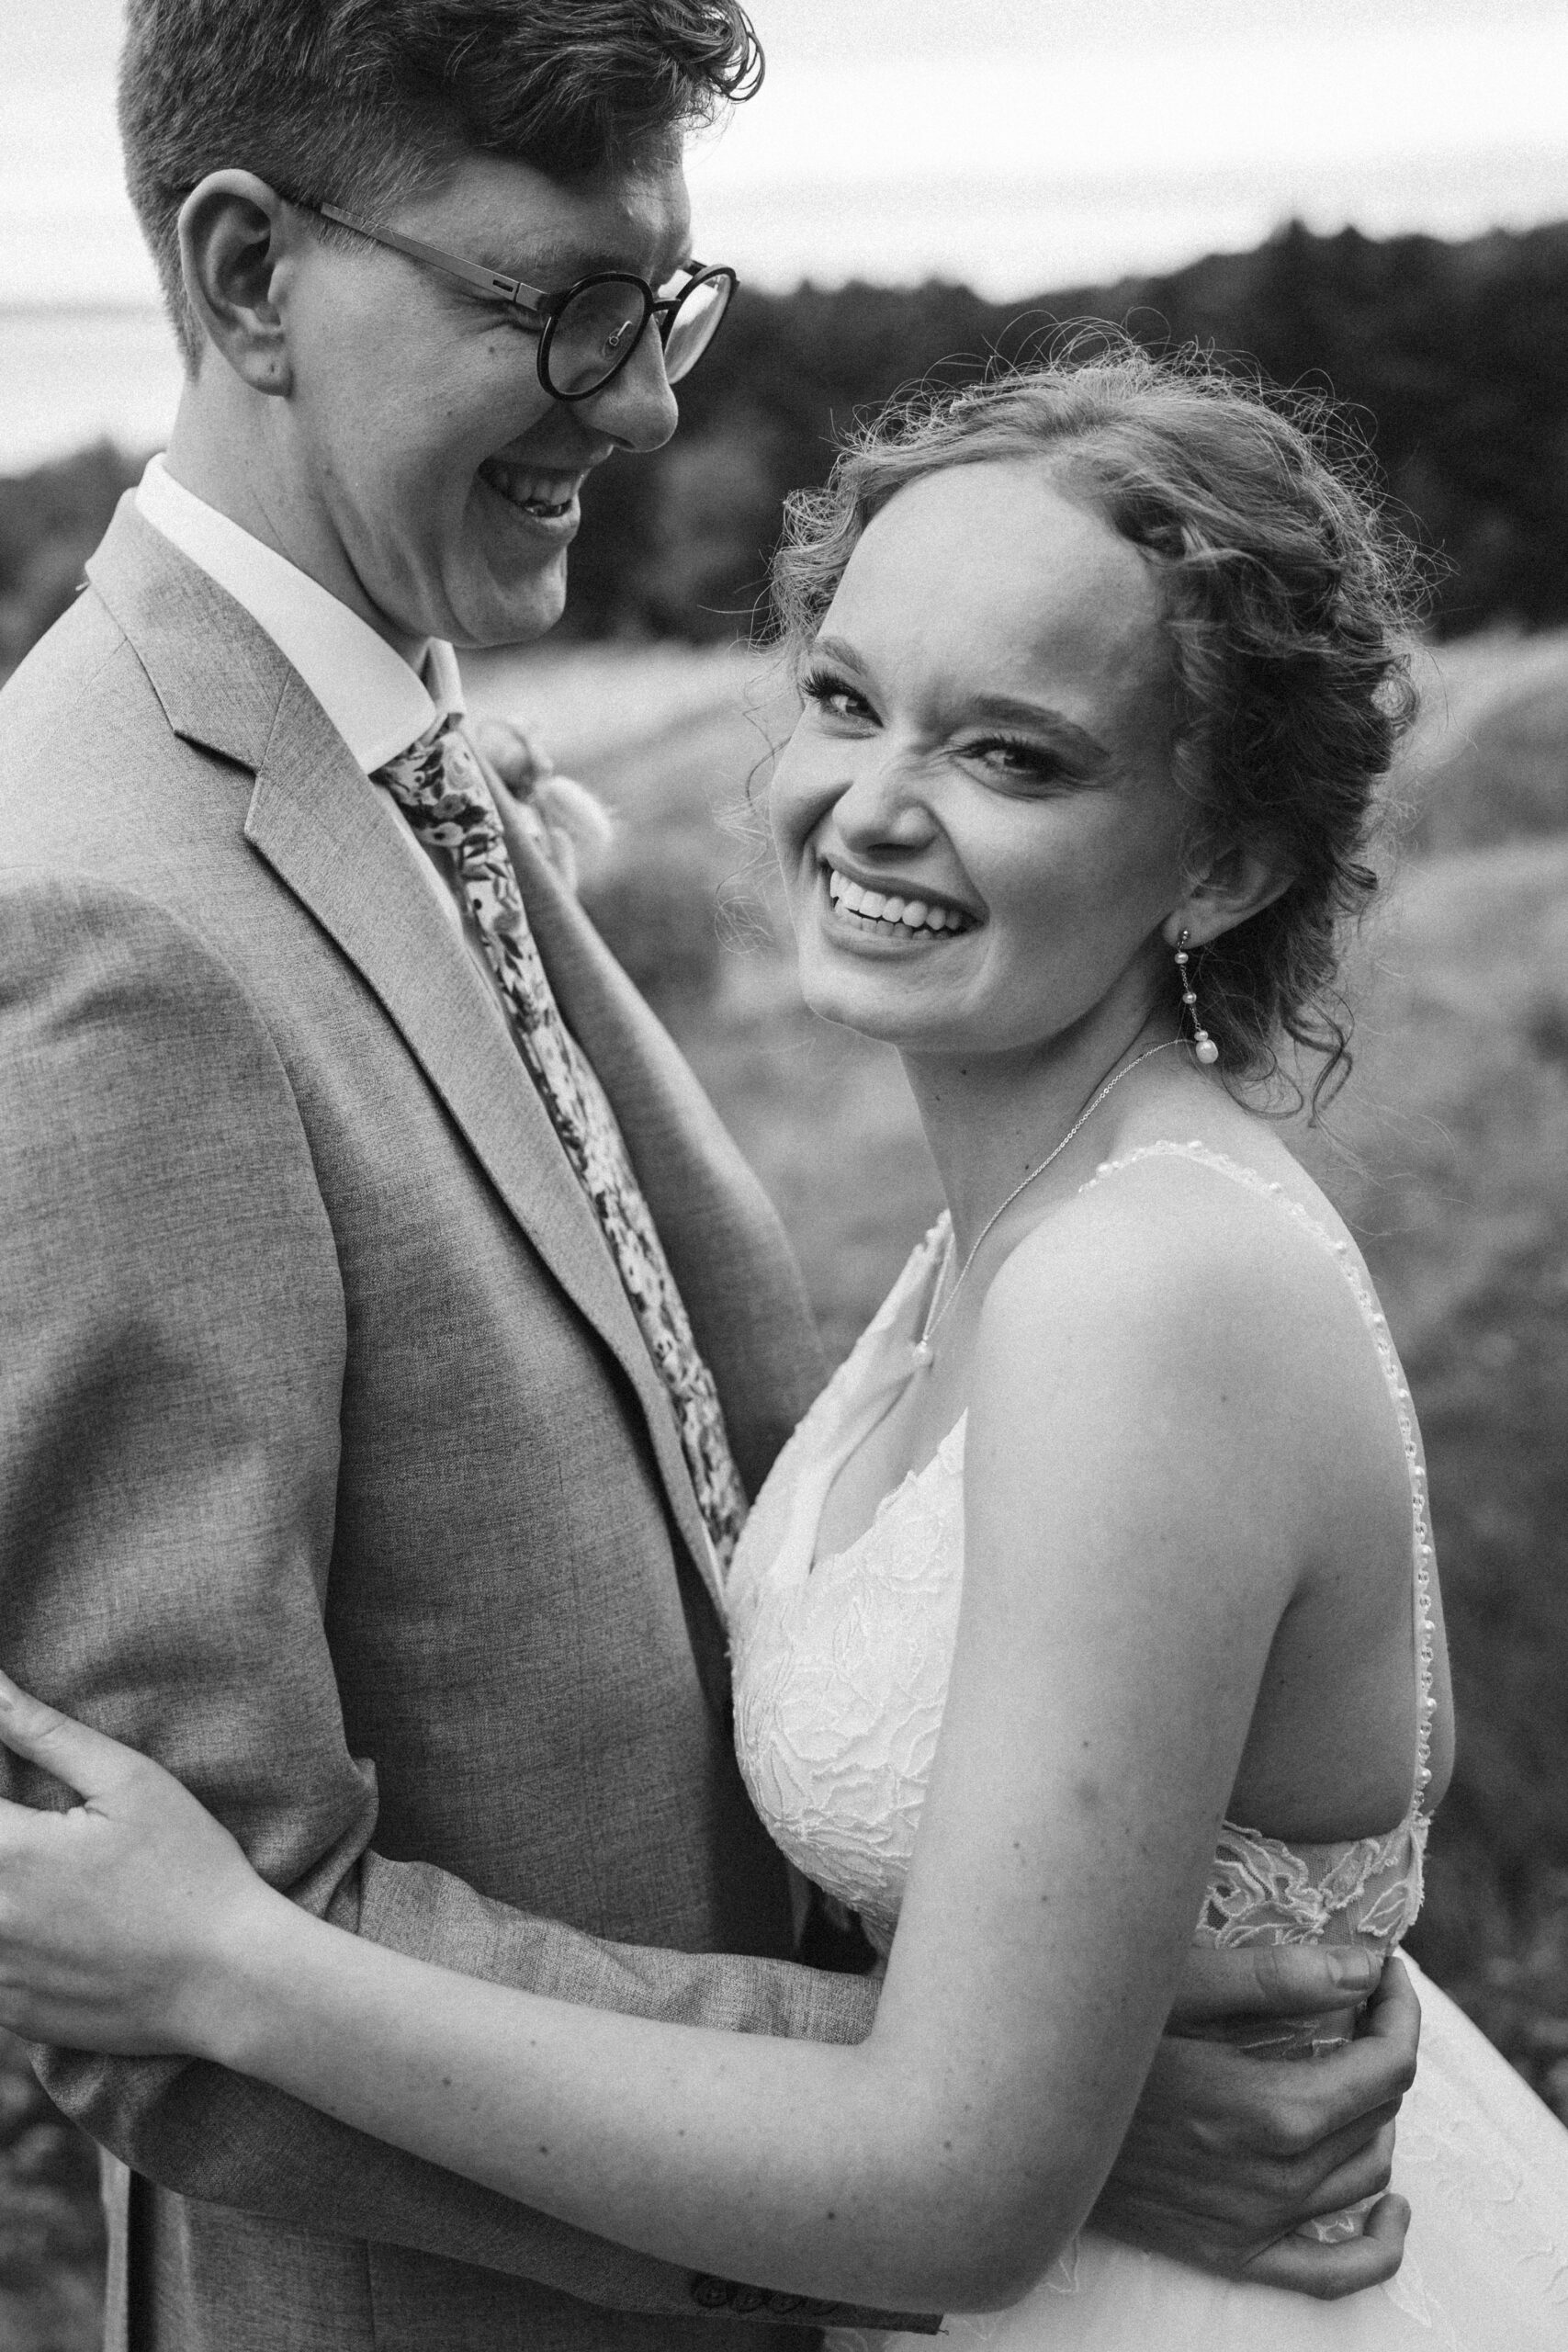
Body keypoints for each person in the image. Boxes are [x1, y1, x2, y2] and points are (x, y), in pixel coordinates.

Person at [0, 4, 1426, 2346]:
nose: (642, 402)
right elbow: (153, 1924)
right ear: (249, 274)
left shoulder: (415, 762)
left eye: (659, 306)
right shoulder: (95, 916)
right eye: (553, 303)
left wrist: (1004, 2065)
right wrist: (979, 2105)